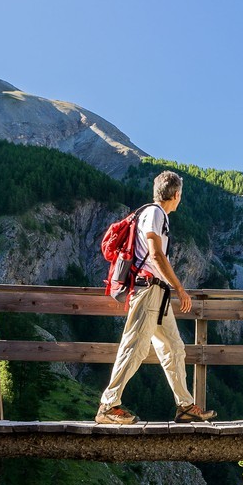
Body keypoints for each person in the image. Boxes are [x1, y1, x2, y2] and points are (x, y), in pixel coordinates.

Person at [95, 170, 218, 426]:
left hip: (157, 294)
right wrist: (180, 288)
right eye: (180, 195)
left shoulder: (153, 213)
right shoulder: (155, 213)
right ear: (176, 195)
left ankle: (185, 406)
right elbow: (155, 254)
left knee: (174, 348)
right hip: (149, 290)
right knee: (135, 347)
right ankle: (108, 405)